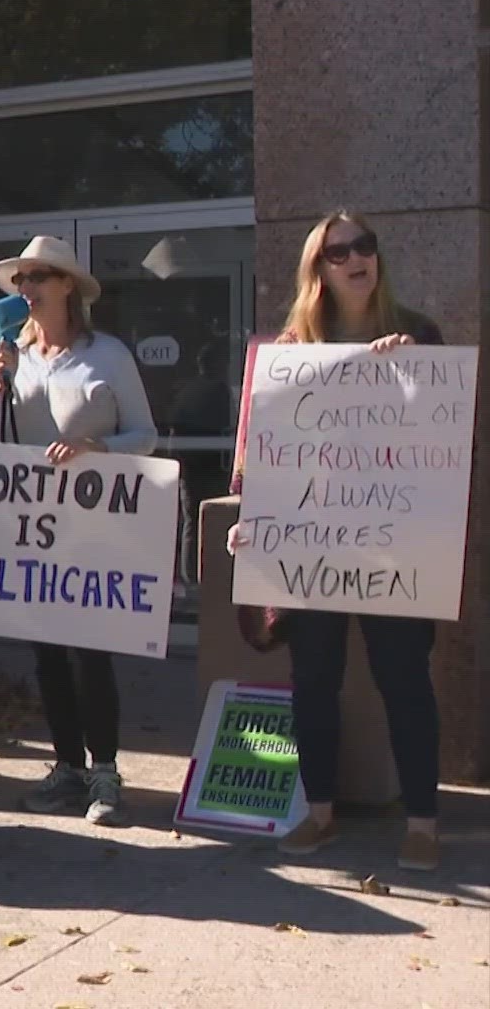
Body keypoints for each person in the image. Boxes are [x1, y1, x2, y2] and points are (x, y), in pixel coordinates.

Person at [230, 211, 446, 871]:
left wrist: (407, 375)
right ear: (317, 271)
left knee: (404, 678)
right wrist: (252, 517)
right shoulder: (291, 352)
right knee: (314, 679)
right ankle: (320, 814)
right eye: (338, 251)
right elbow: (265, 453)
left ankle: (423, 824)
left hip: (393, 542)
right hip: (312, 543)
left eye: (366, 245)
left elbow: (444, 438)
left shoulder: (419, 336)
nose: (357, 258)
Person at [0, 236, 157, 825]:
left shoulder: (106, 355)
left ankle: (104, 770)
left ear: (67, 288)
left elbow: (145, 435)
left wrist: (94, 447)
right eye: (21, 279)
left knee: (90, 652)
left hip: (95, 527)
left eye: (39, 277)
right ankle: (67, 766)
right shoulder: (9, 356)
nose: (26, 289)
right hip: (34, 527)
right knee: (49, 655)